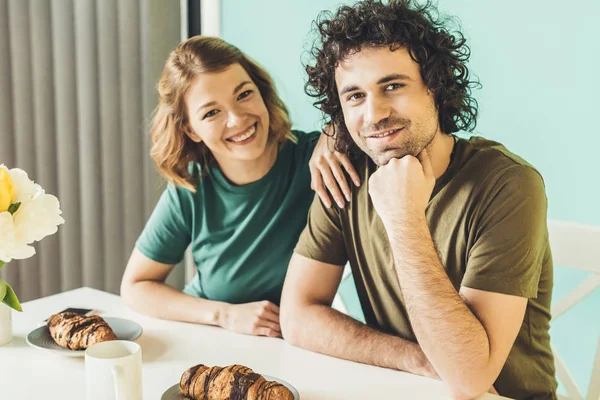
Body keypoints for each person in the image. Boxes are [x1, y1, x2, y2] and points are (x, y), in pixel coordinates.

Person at [280, 1, 557, 399]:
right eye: (355, 96)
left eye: (393, 86)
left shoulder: (508, 184)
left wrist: (404, 218)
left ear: (435, 86)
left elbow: (468, 379)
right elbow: (297, 316)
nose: (374, 114)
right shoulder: (345, 173)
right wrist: (416, 360)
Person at [120, 36, 359, 339]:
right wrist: (224, 315)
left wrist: (334, 129)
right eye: (211, 112)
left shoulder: (318, 159)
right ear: (190, 129)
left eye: (244, 94)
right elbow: (135, 286)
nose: (237, 119)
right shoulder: (192, 188)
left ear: (261, 91)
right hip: (214, 339)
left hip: (288, 344)